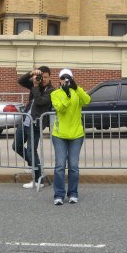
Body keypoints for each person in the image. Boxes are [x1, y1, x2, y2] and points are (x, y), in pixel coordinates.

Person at [50, 69, 91, 205]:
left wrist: (76, 88)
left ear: (72, 79)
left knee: (73, 166)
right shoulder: (55, 93)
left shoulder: (77, 92)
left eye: (68, 78)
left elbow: (87, 100)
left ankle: (73, 193)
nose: (65, 80)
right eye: (63, 78)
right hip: (60, 134)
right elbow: (60, 108)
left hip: (76, 134)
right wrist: (67, 95)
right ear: (59, 80)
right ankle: (59, 195)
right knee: (60, 166)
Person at [13, 66, 55, 189]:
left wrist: (36, 86)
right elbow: (20, 81)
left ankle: (38, 180)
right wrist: (32, 73)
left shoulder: (52, 90)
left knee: (31, 150)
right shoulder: (35, 83)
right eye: (42, 76)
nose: (44, 79)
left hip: (36, 124)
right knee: (16, 146)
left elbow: (40, 102)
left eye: (46, 77)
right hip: (25, 120)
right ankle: (34, 165)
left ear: (50, 77)